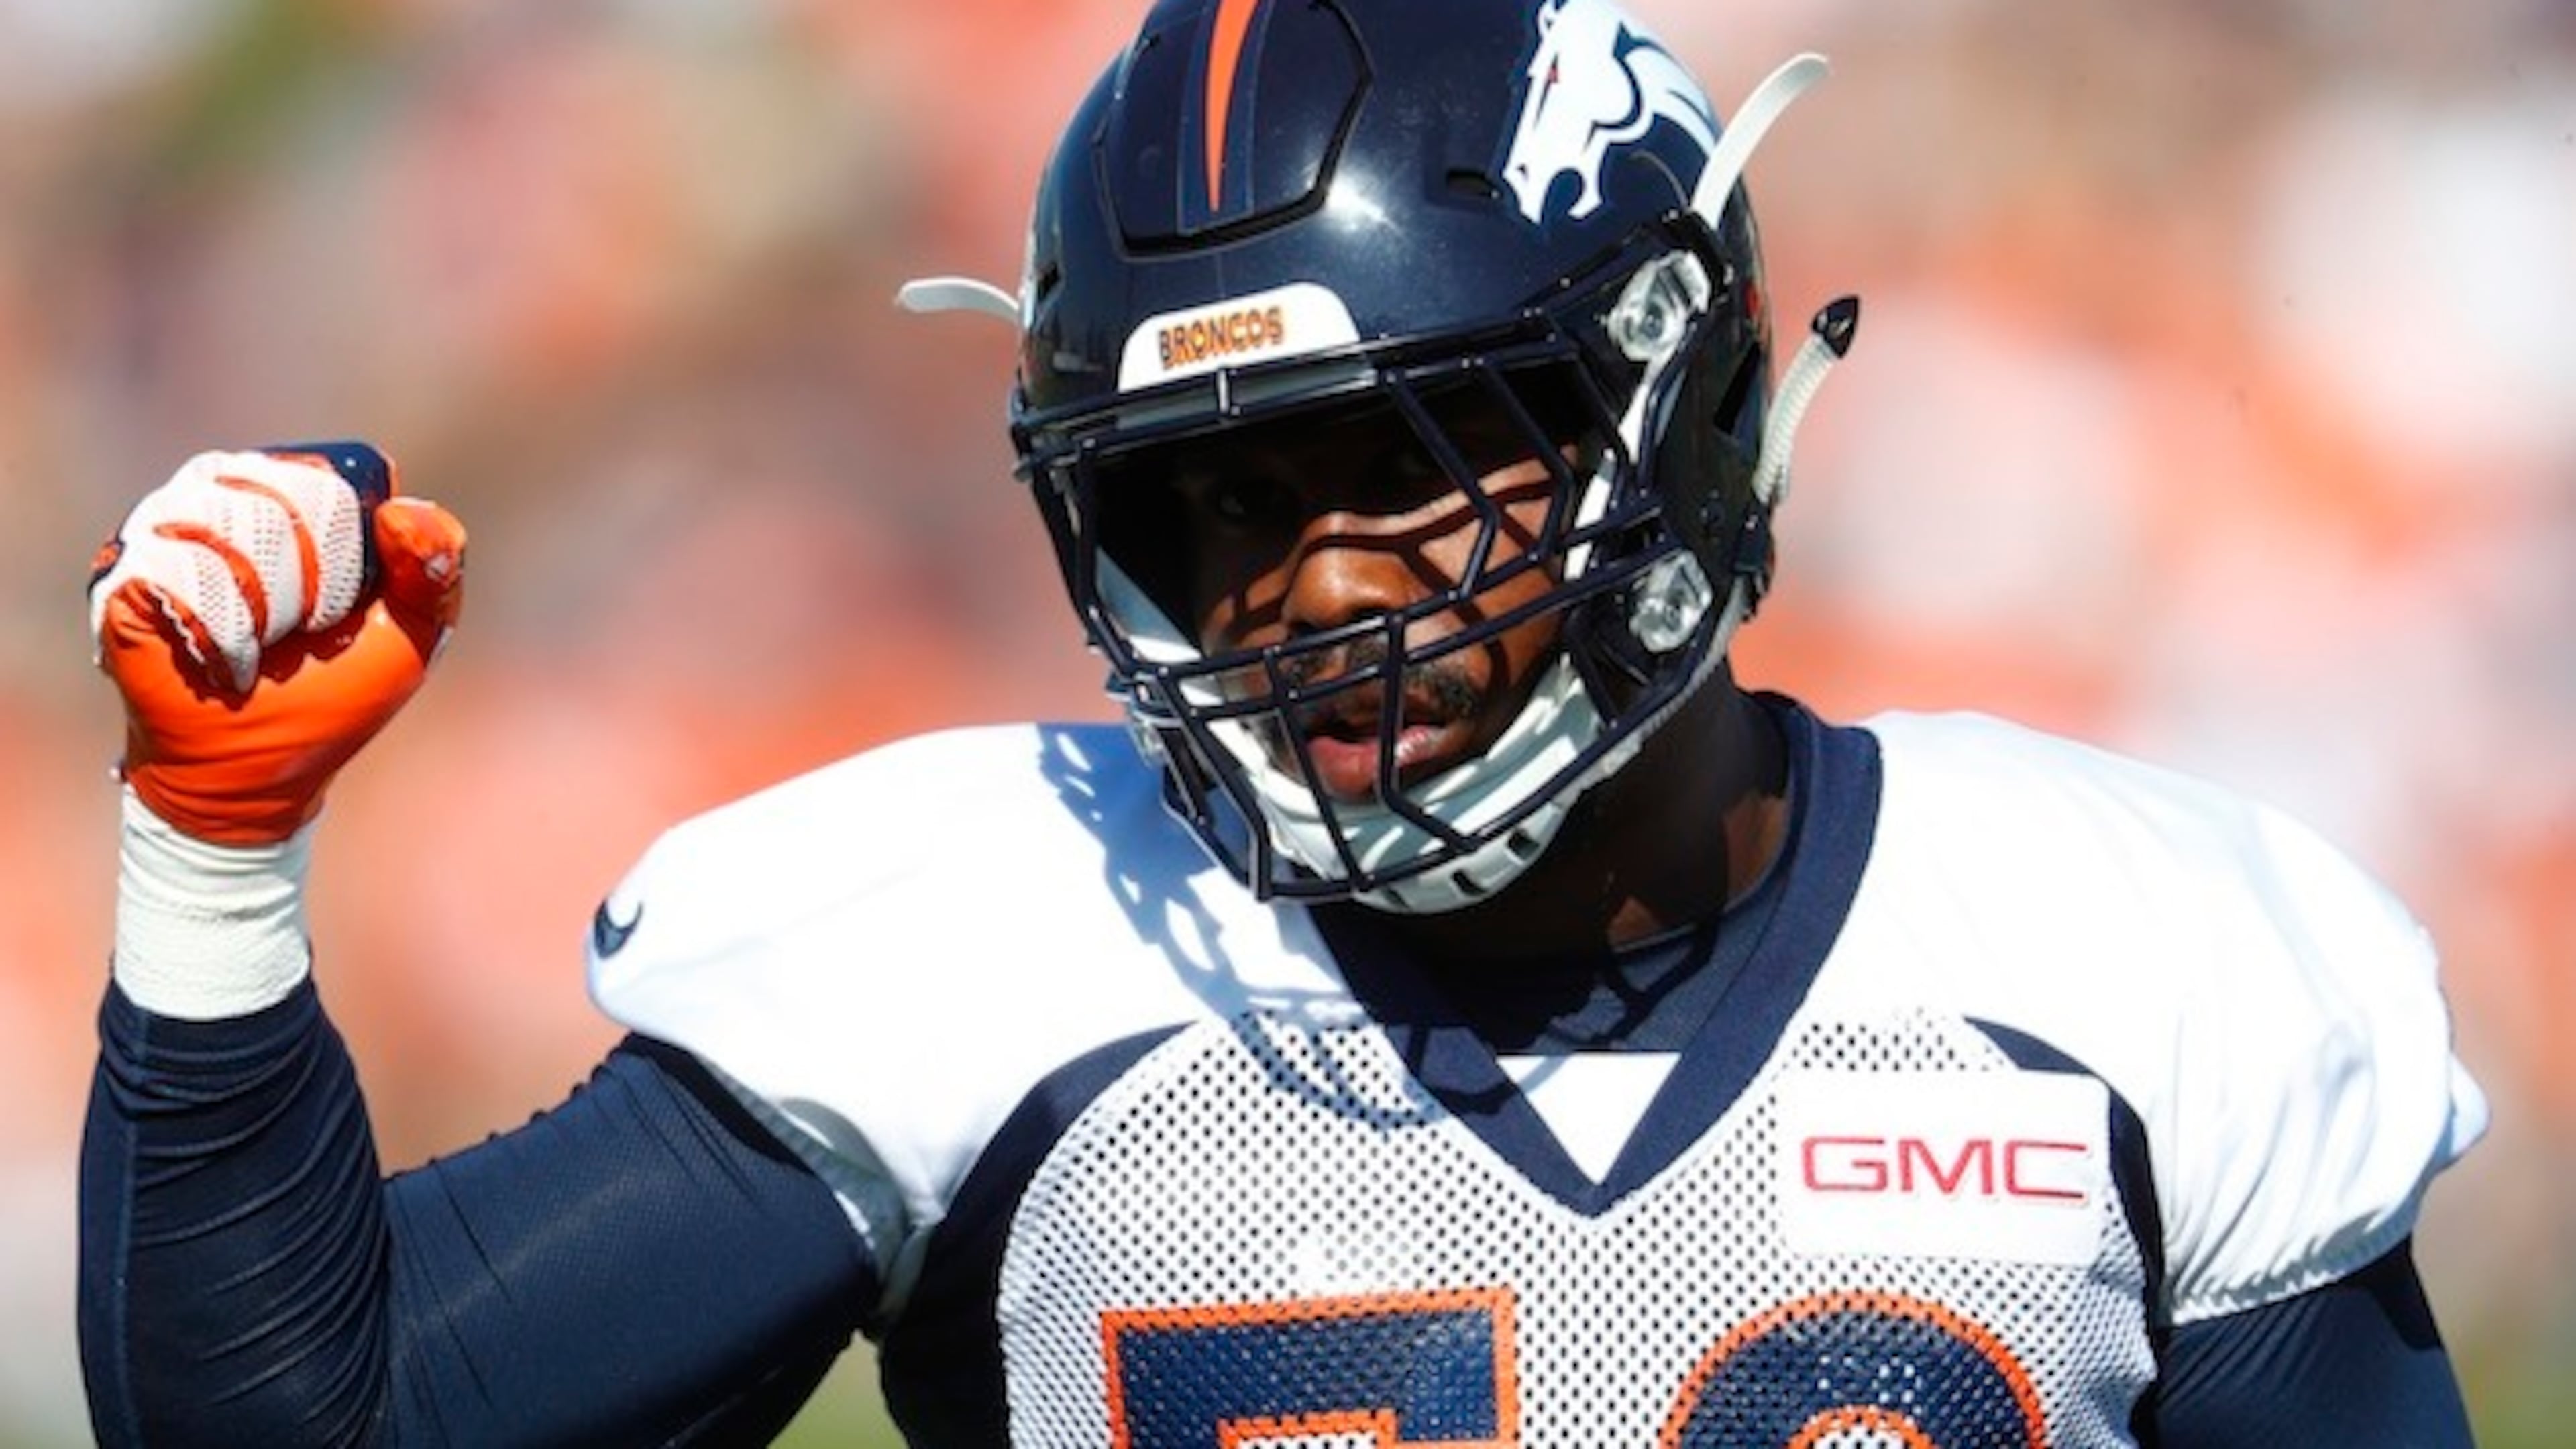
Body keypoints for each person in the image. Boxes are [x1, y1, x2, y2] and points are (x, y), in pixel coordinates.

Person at [77, 0, 2488, 1444]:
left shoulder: (2122, 960)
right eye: (1218, 500)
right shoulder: (987, 939)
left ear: (1682, 399)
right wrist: (214, 859)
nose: (1314, 583)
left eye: (1413, 469)